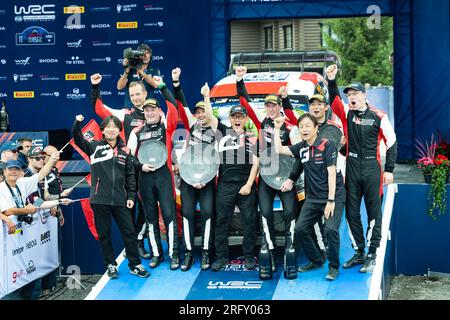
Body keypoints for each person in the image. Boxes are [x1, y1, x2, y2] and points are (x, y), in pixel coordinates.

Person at [326, 64, 397, 273]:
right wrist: (331, 80)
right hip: (353, 167)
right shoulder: (347, 112)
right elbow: (333, 100)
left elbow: (392, 142)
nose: (352, 97)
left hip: (372, 168)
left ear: (364, 96)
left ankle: (372, 253)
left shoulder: (379, 116)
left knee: (374, 212)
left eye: (355, 93)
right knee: (351, 213)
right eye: (349, 94)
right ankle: (358, 252)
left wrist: (389, 169)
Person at [235, 66, 300, 271]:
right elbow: (245, 102)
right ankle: (269, 249)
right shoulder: (261, 123)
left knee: (291, 210)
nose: (271, 109)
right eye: (268, 106)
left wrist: (292, 178)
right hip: (266, 175)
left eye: (274, 106)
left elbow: (298, 153)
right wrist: (239, 80)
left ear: (279, 107)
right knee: (265, 212)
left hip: (286, 176)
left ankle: (290, 245)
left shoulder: (290, 125)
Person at [91, 73, 160, 259]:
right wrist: (96, 87)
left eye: (139, 94)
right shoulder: (125, 114)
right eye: (133, 95)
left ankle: (140, 241)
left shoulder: (156, 113)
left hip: (153, 168)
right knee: (131, 207)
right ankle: (134, 244)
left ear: (145, 93)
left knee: (148, 209)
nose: (136, 98)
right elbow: (100, 109)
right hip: (129, 169)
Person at [72, 114, 149, 279]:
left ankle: (135, 264)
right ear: (102, 130)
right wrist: (77, 123)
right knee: (104, 234)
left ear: (119, 130)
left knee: (129, 232)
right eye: (108, 127)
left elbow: (130, 176)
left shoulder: (125, 150)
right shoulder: (94, 147)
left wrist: (130, 196)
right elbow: (77, 139)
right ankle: (110, 265)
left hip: (121, 199)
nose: (111, 129)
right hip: (99, 199)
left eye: (114, 126)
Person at [274, 113, 344, 280]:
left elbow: (332, 173)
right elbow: (279, 149)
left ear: (316, 128)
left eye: (307, 126)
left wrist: (331, 200)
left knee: (331, 230)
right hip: (312, 198)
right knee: (299, 229)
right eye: (301, 126)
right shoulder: (302, 147)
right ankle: (317, 259)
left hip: (333, 196)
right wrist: (276, 129)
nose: (304, 129)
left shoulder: (327, 145)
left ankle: (333, 266)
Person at [0, 152, 72, 300]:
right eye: (36, 158)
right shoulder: (6, 186)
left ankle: (30, 292)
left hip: (22, 232)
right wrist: (26, 210)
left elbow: (39, 199)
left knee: (28, 264)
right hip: (9, 235)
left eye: (42, 158)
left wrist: (58, 201)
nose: (40, 160)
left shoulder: (26, 181)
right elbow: (8, 210)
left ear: (20, 171)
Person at [127, 97, 181, 270]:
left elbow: (173, 107)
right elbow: (129, 156)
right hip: (145, 177)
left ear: (159, 111)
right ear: (144, 112)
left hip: (164, 176)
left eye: (153, 109)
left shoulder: (167, 127)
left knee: (169, 216)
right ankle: (157, 254)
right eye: (147, 110)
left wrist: (166, 87)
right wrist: (141, 166)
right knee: (150, 217)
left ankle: (174, 255)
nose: (150, 113)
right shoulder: (136, 131)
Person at [171, 68, 216, 271]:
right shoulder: (192, 125)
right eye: (197, 112)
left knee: (207, 213)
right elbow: (182, 104)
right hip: (189, 179)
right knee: (188, 213)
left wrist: (206, 97)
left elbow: (210, 114)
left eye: (203, 111)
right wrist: (176, 83)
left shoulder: (217, 128)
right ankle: (188, 253)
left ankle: (206, 252)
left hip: (206, 180)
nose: (199, 115)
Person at [211, 104, 259, 272]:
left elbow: (256, 163)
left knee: (250, 221)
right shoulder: (222, 132)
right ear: (230, 119)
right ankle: (221, 257)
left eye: (241, 117)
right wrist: (206, 97)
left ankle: (248, 256)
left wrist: (248, 184)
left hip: (246, 184)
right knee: (221, 221)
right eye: (235, 117)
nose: (238, 119)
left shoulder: (251, 136)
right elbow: (210, 117)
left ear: (246, 119)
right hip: (225, 184)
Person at [117, 43, 161, 108]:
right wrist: (127, 70)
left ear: (150, 54)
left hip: (147, 108)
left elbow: (155, 85)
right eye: (143, 54)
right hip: (130, 108)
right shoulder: (130, 69)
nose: (146, 55)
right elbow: (119, 87)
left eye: (147, 53)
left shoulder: (154, 70)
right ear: (139, 55)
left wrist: (141, 72)